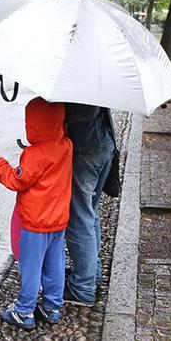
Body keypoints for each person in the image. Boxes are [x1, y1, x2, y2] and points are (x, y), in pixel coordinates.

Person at [0, 97, 73, 330]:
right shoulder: (66, 145)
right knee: (55, 265)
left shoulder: (35, 154)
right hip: (58, 220)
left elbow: (18, 180)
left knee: (31, 267)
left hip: (35, 223)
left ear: (33, 124)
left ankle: (24, 311)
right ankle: (52, 307)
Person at [64, 104, 116, 307]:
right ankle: (91, 274)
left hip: (86, 150)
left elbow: (84, 113)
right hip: (102, 145)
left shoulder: (81, 77)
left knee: (79, 219)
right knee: (90, 214)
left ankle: (83, 288)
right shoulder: (98, 76)